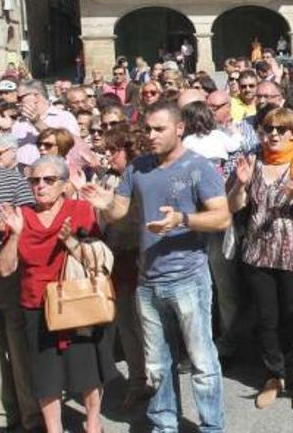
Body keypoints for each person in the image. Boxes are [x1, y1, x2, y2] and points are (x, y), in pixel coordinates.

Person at [80, 101, 231, 432]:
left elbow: (222, 216)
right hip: (147, 280)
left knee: (202, 362)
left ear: (179, 129)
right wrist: (104, 205)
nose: (150, 135)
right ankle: (164, 425)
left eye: (159, 129)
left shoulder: (199, 167)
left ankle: (212, 427)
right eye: (147, 128)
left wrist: (183, 219)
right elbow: (119, 211)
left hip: (189, 277)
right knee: (157, 364)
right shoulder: (138, 168)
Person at [0, 156, 117, 433]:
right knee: (45, 375)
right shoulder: (21, 215)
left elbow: (95, 261)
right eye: (35, 180)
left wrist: (69, 240)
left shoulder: (80, 210)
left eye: (49, 180)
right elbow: (5, 270)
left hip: (77, 301)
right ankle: (54, 429)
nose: (40, 186)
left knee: (87, 367)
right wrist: (15, 235)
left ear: (63, 184)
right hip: (36, 304)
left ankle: (93, 423)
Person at [227, 108, 293, 410]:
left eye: (281, 130)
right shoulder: (253, 161)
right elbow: (233, 206)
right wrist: (241, 184)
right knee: (267, 318)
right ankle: (274, 374)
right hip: (259, 252)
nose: (273, 134)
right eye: (268, 128)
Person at [0, 134, 40, 432]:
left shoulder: (11, 179)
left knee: (19, 345)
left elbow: (29, 224)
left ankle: (32, 415)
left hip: (9, 270)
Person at [97, 125, 153, 409]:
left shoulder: (145, 177)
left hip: (143, 257)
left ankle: (155, 382)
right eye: (106, 150)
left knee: (148, 326)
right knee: (127, 327)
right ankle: (137, 382)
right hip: (117, 258)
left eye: (113, 150)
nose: (108, 157)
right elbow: (102, 222)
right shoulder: (108, 178)